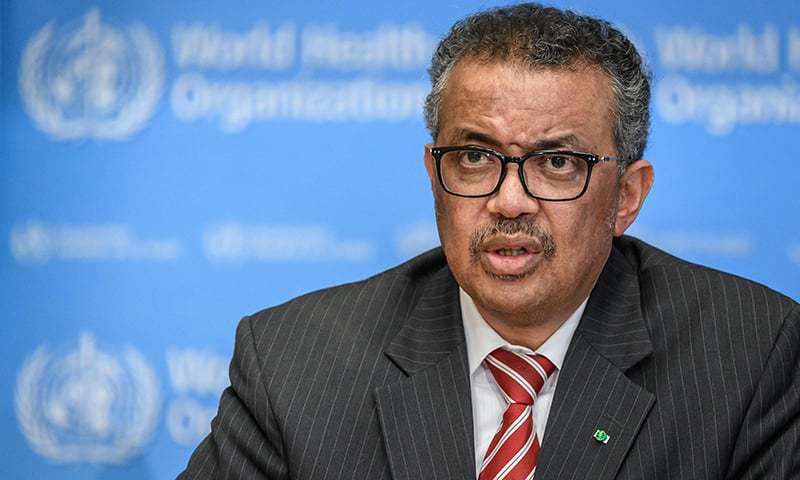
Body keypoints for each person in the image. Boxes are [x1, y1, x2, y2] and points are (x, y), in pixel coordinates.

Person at [179, 3, 799, 479]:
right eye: (476, 156)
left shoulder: (751, 356)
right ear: (434, 176)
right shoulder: (293, 363)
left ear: (627, 197)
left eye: (557, 163)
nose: (509, 201)